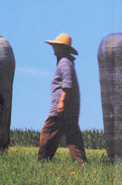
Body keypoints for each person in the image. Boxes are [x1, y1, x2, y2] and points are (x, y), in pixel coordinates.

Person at [37, 33, 88, 163]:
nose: (54, 48)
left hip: (61, 108)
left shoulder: (64, 62)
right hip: (70, 109)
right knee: (73, 136)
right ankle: (81, 163)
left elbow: (67, 84)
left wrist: (61, 103)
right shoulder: (67, 62)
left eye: (56, 46)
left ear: (63, 48)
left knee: (47, 133)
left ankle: (43, 162)